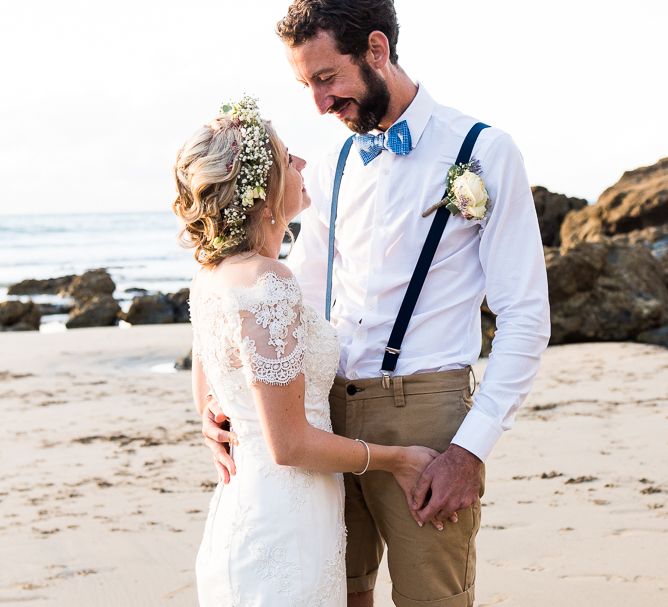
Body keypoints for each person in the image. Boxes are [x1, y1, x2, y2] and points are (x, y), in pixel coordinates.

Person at [174, 97, 439, 606]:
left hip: (248, 506)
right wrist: (397, 459)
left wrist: (214, 422)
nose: (301, 166)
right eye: (288, 157)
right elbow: (289, 445)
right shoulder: (269, 281)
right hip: (285, 522)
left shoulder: (209, 276)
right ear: (264, 193)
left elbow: (209, 400)